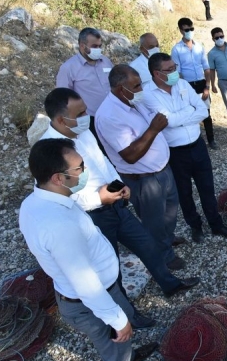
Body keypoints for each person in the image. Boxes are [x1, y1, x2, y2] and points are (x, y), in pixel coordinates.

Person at [19, 138, 167, 361]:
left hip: (100, 291)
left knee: (121, 344)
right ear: (58, 177)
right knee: (114, 353)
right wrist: (117, 320)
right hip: (90, 301)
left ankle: (131, 356)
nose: (84, 171)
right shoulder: (58, 224)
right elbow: (85, 282)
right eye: (79, 167)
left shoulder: (39, 200)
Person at [40, 88, 200, 302]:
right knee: (110, 263)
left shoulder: (84, 133)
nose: (85, 118)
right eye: (79, 115)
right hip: (91, 215)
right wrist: (98, 199)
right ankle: (126, 314)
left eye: (85, 111)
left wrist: (119, 183)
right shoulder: (47, 151)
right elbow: (59, 196)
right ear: (61, 119)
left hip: (115, 203)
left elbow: (102, 161)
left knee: (147, 245)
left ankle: (170, 285)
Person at [95, 64, 186, 271]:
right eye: (136, 87)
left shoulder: (132, 100)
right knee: (153, 221)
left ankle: (167, 238)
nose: (140, 90)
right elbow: (130, 155)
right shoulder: (109, 115)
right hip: (143, 179)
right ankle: (163, 257)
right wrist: (154, 129)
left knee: (169, 211)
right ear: (120, 89)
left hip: (162, 170)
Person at [144, 53, 227, 243]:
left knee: (207, 188)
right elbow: (167, 121)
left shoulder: (183, 84)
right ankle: (195, 226)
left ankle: (216, 224)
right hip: (175, 152)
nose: (174, 72)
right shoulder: (148, 94)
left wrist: (180, 116)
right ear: (157, 74)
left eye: (174, 67)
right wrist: (188, 111)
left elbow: (202, 110)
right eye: (169, 70)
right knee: (184, 192)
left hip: (197, 145)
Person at [56, 27, 112, 146]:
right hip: (92, 120)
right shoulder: (69, 68)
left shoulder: (106, 61)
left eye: (100, 46)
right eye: (94, 46)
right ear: (82, 46)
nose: (98, 50)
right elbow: (62, 98)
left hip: (113, 114)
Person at [171, 18, 217, 149]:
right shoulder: (176, 50)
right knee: (191, 114)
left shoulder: (199, 47)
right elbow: (178, 72)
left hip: (202, 83)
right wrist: (183, 90)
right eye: (186, 30)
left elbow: (206, 68)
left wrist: (207, 86)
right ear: (180, 30)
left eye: (191, 29)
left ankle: (211, 140)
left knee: (206, 113)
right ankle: (196, 141)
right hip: (188, 85)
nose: (189, 32)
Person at [208, 27, 227, 130]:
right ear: (213, 39)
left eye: (221, 36)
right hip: (223, 81)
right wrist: (212, 84)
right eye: (217, 37)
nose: (220, 39)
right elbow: (212, 70)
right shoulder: (212, 54)